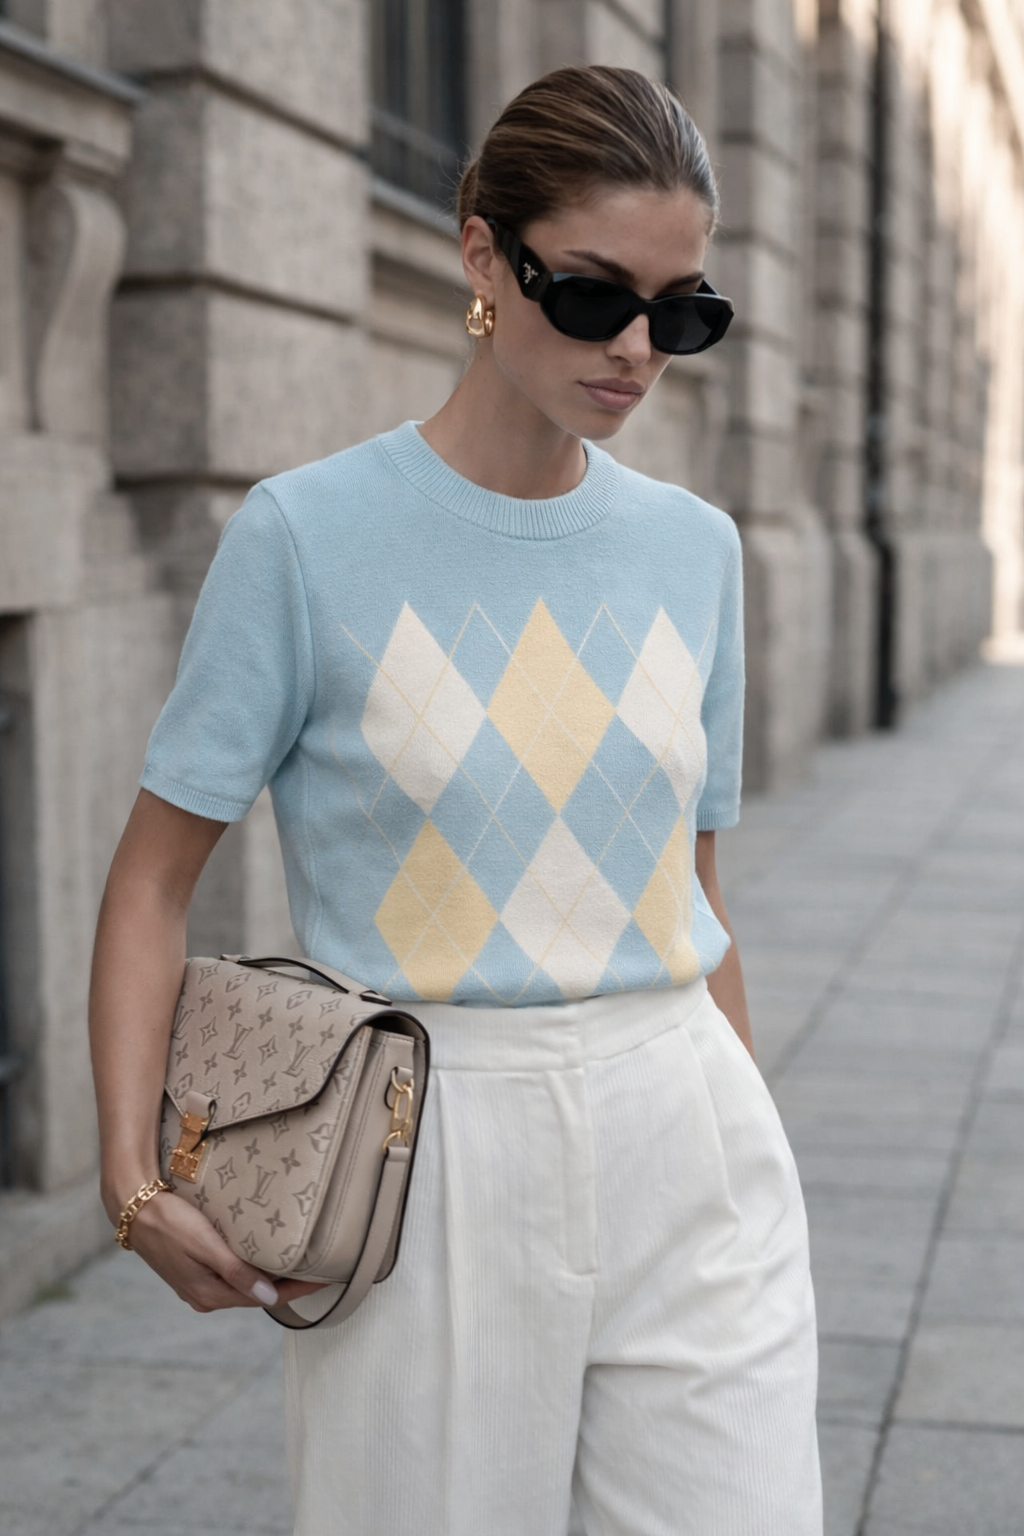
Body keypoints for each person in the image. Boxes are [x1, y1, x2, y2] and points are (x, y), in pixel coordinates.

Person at [90, 64, 822, 1536]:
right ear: (485, 257)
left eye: (680, 313)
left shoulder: (697, 552)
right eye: (594, 296)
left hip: (688, 1131)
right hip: (425, 1143)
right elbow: (155, 879)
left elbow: (693, 889)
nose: (636, 350)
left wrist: (747, 1122)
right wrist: (130, 1180)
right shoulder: (304, 539)